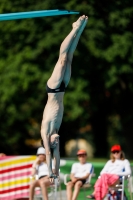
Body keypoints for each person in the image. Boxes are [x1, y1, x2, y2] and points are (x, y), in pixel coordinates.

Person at [40, 15, 88, 180]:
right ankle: (81, 29)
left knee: (61, 61)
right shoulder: (57, 131)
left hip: (53, 89)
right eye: (56, 144)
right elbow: (57, 155)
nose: (55, 142)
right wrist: (57, 171)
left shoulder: (45, 131)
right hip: (63, 88)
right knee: (69, 58)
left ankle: (74, 27)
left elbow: (49, 153)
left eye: (54, 143)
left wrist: (50, 171)